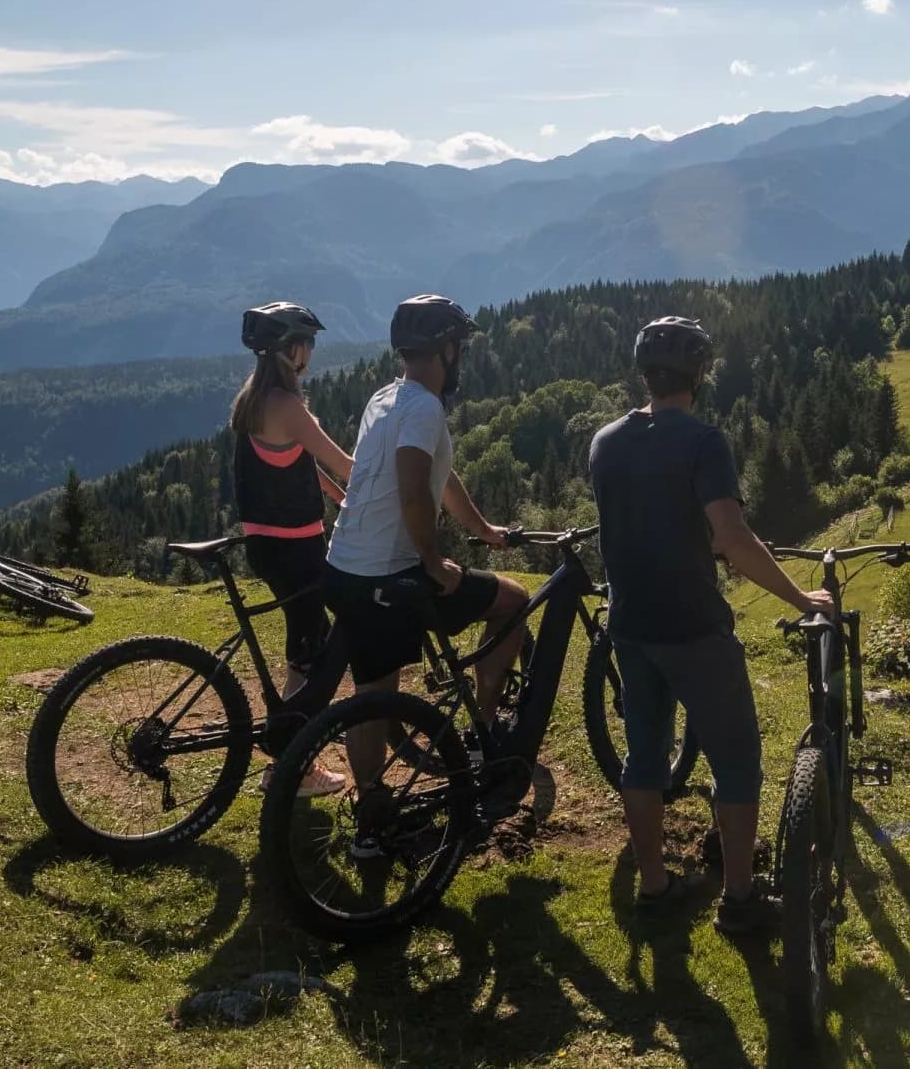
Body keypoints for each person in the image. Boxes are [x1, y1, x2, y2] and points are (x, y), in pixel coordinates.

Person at [588, 316, 833, 936]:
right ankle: (741, 901)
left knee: (644, 753)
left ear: (644, 372)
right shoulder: (704, 442)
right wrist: (799, 596)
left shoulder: (605, 442)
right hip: (693, 625)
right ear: (699, 375)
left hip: (630, 624)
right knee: (736, 760)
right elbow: (731, 539)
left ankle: (654, 886)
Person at [323, 295, 528, 818]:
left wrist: (481, 529)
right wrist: (435, 562)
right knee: (514, 601)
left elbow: (440, 474)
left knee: (372, 692)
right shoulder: (425, 408)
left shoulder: (386, 398)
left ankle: (369, 802)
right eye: (460, 347)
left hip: (344, 565)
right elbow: (415, 488)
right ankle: (482, 733)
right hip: (388, 574)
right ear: (447, 350)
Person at [232, 301, 356, 797]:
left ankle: (291, 747)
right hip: (295, 547)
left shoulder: (254, 397)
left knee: (306, 641)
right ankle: (293, 765)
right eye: (310, 344)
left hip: (267, 542)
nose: (312, 353)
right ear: (294, 350)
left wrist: (334, 495)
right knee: (316, 646)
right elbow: (344, 461)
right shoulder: (289, 406)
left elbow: (294, 461)